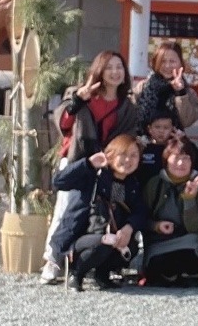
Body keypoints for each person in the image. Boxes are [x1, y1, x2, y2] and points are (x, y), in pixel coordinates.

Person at [41, 50, 139, 285]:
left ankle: (93, 264)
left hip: (109, 167)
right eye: (109, 67)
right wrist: (78, 101)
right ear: (99, 70)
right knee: (68, 210)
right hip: (79, 161)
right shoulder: (79, 94)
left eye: (119, 67)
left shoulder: (127, 105)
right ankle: (53, 260)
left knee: (102, 212)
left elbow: (127, 135)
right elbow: (63, 122)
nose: (115, 72)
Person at [50, 134, 148, 292]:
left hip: (112, 236)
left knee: (132, 247)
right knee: (105, 243)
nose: (128, 160)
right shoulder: (94, 176)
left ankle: (102, 274)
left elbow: (140, 211)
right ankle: (77, 274)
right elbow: (58, 182)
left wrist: (129, 228)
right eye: (122, 154)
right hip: (82, 237)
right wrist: (88, 164)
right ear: (111, 155)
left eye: (133, 155)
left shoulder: (132, 184)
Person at [141, 138, 198, 286]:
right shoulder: (155, 184)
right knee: (161, 263)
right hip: (159, 242)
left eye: (186, 158)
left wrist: (189, 199)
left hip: (189, 240)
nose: (181, 163)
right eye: (176, 158)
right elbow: (141, 219)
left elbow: (197, 227)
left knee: (190, 255)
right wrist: (156, 226)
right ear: (166, 160)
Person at [134, 41, 198, 136]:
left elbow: (186, 121)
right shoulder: (143, 87)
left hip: (173, 146)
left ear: (181, 63)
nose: (167, 66)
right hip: (143, 143)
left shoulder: (188, 93)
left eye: (172, 61)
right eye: (163, 61)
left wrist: (180, 93)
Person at [136, 111, 176, 186]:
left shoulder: (175, 149)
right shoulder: (143, 147)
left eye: (166, 127)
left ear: (172, 129)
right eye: (157, 127)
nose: (161, 131)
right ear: (149, 129)